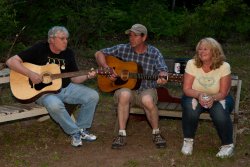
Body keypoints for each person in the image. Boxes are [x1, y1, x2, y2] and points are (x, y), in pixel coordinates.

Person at [6, 26, 99, 147]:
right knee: (54, 104)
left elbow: (75, 78)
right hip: (43, 92)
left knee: (92, 95)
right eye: (62, 38)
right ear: (51, 39)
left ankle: (82, 129)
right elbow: (11, 61)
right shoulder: (40, 48)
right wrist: (31, 74)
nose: (65, 41)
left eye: (66, 38)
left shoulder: (68, 53)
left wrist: (88, 76)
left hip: (66, 88)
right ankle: (74, 132)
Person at [95, 24, 168, 149]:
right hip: (127, 90)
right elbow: (99, 53)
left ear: (144, 37)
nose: (131, 38)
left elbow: (163, 69)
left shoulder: (154, 52)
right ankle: (121, 135)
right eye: (130, 35)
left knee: (147, 100)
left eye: (135, 36)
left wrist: (163, 76)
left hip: (147, 89)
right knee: (124, 94)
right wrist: (107, 69)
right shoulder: (123, 48)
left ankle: (156, 133)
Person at [181, 37, 235, 158]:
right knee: (190, 108)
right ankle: (188, 141)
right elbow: (187, 89)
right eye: (199, 49)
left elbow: (223, 92)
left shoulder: (224, 66)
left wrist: (212, 98)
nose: (201, 52)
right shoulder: (192, 63)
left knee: (219, 112)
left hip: (218, 96)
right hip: (194, 95)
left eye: (205, 49)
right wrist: (199, 95)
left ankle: (228, 145)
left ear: (214, 51)